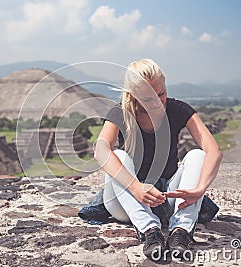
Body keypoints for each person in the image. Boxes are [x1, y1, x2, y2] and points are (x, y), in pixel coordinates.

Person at [94, 59, 222, 261]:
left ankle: (181, 230)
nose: (156, 102)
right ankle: (149, 231)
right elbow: (100, 150)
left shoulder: (178, 110)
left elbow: (213, 150)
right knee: (118, 156)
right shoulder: (120, 112)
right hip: (128, 202)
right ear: (132, 95)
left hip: (168, 199)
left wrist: (200, 189)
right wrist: (136, 187)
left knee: (198, 155)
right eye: (147, 98)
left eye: (161, 94)